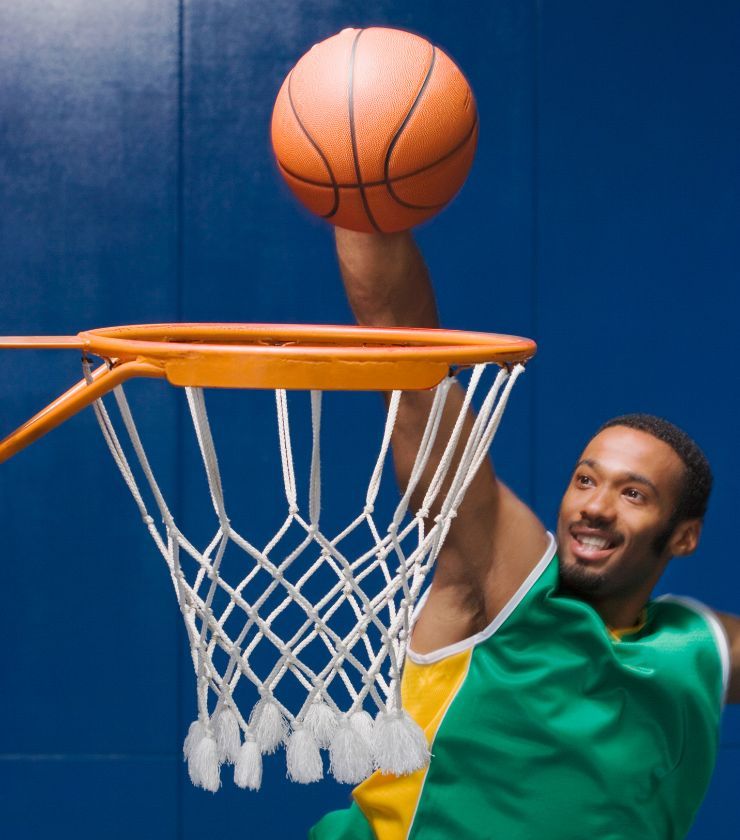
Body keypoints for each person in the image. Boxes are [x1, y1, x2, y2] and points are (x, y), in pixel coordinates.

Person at [310, 227, 740, 840]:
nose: (596, 506)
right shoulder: (504, 585)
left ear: (683, 537)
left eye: (633, 493)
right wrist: (363, 208)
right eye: (586, 480)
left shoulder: (694, 648)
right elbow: (411, 374)